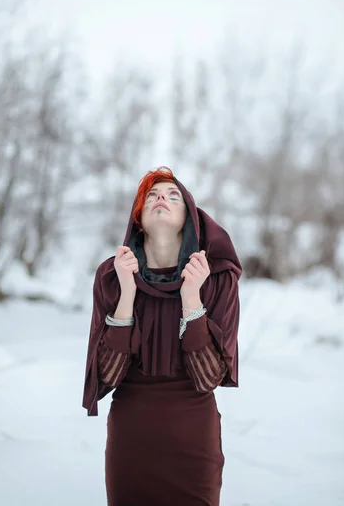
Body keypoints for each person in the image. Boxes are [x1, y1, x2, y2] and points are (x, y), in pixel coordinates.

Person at [82, 166, 242, 506]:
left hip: (193, 442)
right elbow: (107, 376)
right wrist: (127, 294)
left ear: (190, 217)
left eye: (173, 196)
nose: (160, 199)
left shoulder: (217, 279)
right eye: (152, 195)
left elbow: (208, 377)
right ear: (138, 217)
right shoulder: (113, 276)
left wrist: (191, 299)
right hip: (131, 442)